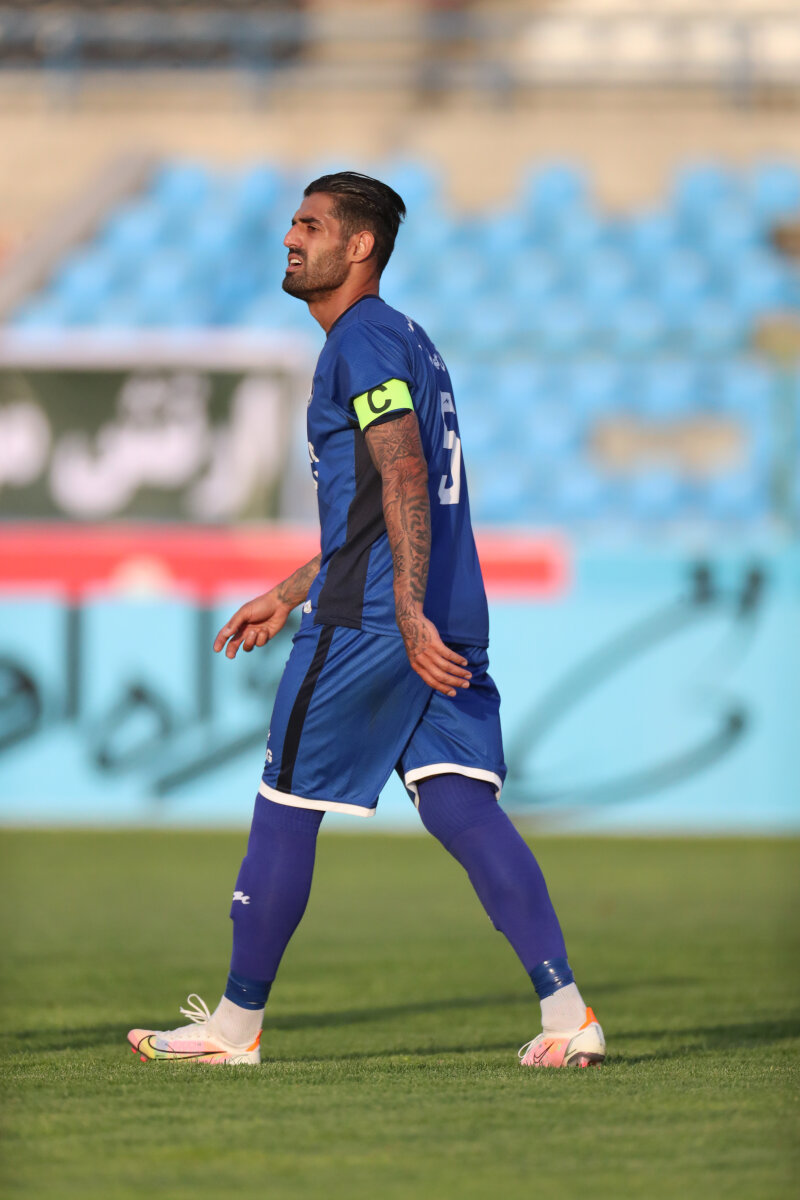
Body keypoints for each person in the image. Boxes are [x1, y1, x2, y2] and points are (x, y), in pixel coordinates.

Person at [127, 171, 605, 1070]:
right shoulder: (408, 340)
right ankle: (567, 1014)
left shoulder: (362, 340)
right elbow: (380, 499)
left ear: (360, 246)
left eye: (310, 226)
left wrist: (401, 612)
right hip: (442, 610)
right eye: (291, 223)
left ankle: (233, 1030)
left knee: (285, 805)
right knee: (460, 804)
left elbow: (406, 475)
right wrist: (292, 588)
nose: (289, 238)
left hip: (377, 620)